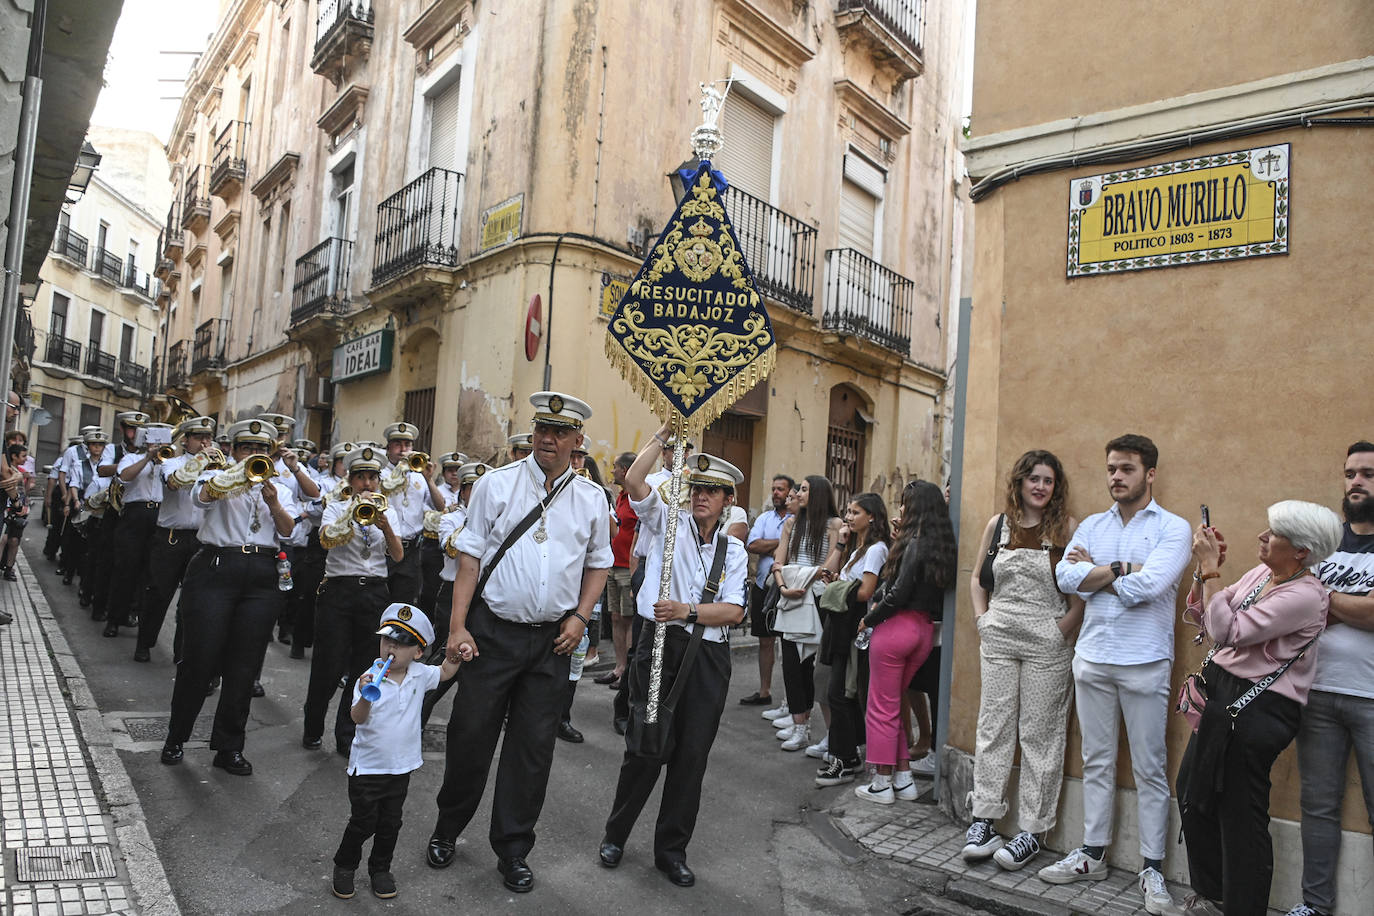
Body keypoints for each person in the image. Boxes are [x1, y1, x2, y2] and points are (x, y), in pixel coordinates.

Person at [427, 392, 612, 893]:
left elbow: (599, 563)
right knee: (470, 737)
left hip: (552, 642)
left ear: (577, 440)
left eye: (559, 432)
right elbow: (469, 559)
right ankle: (447, 828)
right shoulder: (496, 484)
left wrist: (581, 617)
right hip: (493, 634)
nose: (548, 439)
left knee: (532, 752)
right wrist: (457, 627)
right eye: (542, 429)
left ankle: (512, 849)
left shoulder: (591, 498)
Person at [1042, 434, 1192, 915]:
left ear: (1150, 474)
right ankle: (1092, 854)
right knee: (1097, 760)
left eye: (1126, 468)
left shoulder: (1173, 528)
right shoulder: (1092, 524)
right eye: (1111, 468)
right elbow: (1064, 578)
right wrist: (1123, 569)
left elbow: (1151, 586)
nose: (1116, 477)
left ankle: (1152, 868)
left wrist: (1098, 573)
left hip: (1145, 662)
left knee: (1150, 768)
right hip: (1092, 658)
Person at [598, 427, 748, 887]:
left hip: (707, 656)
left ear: (727, 501)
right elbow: (634, 480)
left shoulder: (734, 549)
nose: (701, 496)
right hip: (660, 645)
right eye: (696, 488)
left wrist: (688, 610)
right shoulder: (668, 521)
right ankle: (616, 835)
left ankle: (671, 851)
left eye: (712, 491)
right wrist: (664, 433)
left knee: (691, 756)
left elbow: (735, 611)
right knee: (646, 746)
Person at [1175, 501, 1341, 916]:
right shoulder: (1262, 574)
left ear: (1301, 551)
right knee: (1193, 792)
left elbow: (1226, 629)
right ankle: (1213, 896)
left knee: (1240, 817)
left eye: (1274, 533)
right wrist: (1204, 574)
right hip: (1224, 696)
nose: (1263, 537)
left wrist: (1211, 570)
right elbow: (1203, 614)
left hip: (1259, 707)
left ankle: (1242, 908)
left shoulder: (1306, 596)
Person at [962, 450, 1083, 870]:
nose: (1040, 487)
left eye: (1048, 480)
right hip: (999, 636)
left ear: (1056, 487)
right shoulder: (998, 525)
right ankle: (984, 819)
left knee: (1040, 734)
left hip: (1047, 643)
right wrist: (982, 619)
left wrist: (1060, 630)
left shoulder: (1067, 528)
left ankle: (1032, 830)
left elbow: (1080, 595)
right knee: (993, 726)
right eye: (1034, 478)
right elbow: (977, 579)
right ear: (1020, 482)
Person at [159, 419, 299, 776]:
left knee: (244, 666)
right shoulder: (215, 476)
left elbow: (288, 531)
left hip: (262, 573)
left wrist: (272, 502)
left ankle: (229, 747)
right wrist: (236, 476)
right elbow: (201, 498)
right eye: (247, 448)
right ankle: (176, 737)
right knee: (199, 659)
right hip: (216, 568)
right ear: (234, 451)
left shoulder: (280, 488)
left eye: (261, 450)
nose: (254, 454)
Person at [1286, 441, 1374, 916]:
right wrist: (1341, 606)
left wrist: (1322, 598)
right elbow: (1294, 606)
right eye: (1350, 473)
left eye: (1368, 474)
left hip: (1371, 698)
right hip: (1316, 692)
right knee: (1317, 807)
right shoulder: (1324, 542)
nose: (1356, 482)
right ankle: (1315, 906)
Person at [331, 603, 460, 901]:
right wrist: (366, 696)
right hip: (368, 769)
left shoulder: (419, 674)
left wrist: (454, 656)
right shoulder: (368, 677)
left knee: (390, 824)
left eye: (401, 643)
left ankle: (380, 869)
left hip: (400, 768)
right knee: (363, 822)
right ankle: (345, 865)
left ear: (417, 652)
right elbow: (357, 718)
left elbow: (444, 672)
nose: (391, 648)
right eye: (387, 639)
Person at [853, 480, 954, 803]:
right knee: (893, 704)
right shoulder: (941, 544)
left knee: (881, 708)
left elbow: (897, 592)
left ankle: (882, 782)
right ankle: (903, 778)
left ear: (916, 508)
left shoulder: (915, 544)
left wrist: (870, 619)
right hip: (923, 630)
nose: (900, 509)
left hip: (897, 628)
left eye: (905, 503)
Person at [306, 445, 404, 756]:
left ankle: (346, 734)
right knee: (329, 664)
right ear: (350, 480)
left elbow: (398, 556)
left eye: (372, 478)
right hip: (339, 591)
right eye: (361, 477)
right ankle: (313, 725)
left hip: (374, 592)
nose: (367, 484)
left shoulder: (389, 512)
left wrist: (385, 526)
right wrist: (353, 512)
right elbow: (326, 540)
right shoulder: (335, 508)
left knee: (364, 667)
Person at [814, 492, 890, 787]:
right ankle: (847, 753)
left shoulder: (876, 550)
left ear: (872, 516)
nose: (848, 517)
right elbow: (835, 576)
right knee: (838, 691)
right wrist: (841, 545)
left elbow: (865, 591)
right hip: (842, 625)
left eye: (855, 512)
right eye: (848, 511)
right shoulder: (859, 548)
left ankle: (845, 759)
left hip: (857, 628)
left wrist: (837, 587)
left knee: (841, 693)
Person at [134, 416, 219, 663]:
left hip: (201, 540)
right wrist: (201, 461)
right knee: (159, 594)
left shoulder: (218, 467)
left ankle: (181, 652)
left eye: (208, 438)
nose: (204, 443)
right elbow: (173, 483)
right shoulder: (170, 463)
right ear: (186, 440)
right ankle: (144, 643)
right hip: (170, 538)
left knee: (192, 600)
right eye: (198, 438)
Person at [768, 475, 842, 752]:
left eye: (804, 489)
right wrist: (783, 588)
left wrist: (800, 579)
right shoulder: (791, 523)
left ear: (819, 494)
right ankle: (800, 726)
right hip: (791, 596)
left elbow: (831, 568)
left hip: (819, 600)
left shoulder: (835, 525)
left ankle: (817, 729)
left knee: (813, 665)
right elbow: (778, 562)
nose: (797, 493)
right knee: (791, 663)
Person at [105, 422, 170, 637]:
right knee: (125, 569)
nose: (158, 446)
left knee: (150, 573)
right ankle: (114, 618)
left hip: (159, 516)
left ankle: (137, 615)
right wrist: (147, 458)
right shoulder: (132, 458)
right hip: (134, 515)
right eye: (154, 441)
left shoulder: (169, 462)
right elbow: (124, 477)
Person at [740, 474, 794, 706]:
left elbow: (795, 548)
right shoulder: (764, 518)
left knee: (790, 643)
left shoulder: (798, 519)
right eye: (773, 489)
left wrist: (771, 545)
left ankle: (790, 700)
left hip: (790, 587)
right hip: (764, 586)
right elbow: (752, 544)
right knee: (765, 640)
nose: (775, 493)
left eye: (780, 489)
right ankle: (764, 692)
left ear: (790, 492)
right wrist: (783, 542)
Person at [380, 422, 442, 605]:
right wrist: (402, 467)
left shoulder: (418, 476)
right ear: (388, 448)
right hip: (385, 547)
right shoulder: (380, 473)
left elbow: (440, 506)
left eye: (407, 445)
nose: (403, 450)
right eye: (397, 445)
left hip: (412, 550)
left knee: (404, 603)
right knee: (380, 601)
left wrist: (429, 479)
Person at [599, 452, 639, 690]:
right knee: (615, 617)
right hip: (613, 565)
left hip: (627, 568)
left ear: (624, 470)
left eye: (615, 467)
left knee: (628, 619)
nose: (612, 471)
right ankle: (619, 667)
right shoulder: (622, 496)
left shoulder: (636, 497)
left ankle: (629, 673)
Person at [0, 442, 30, 581]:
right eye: (23, 456)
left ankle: (9, 568)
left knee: (14, 540)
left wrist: (23, 507)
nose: (25, 459)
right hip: (6, 508)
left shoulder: (18, 473)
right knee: (3, 539)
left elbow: (23, 493)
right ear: (13, 456)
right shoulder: (9, 471)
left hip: (16, 511)